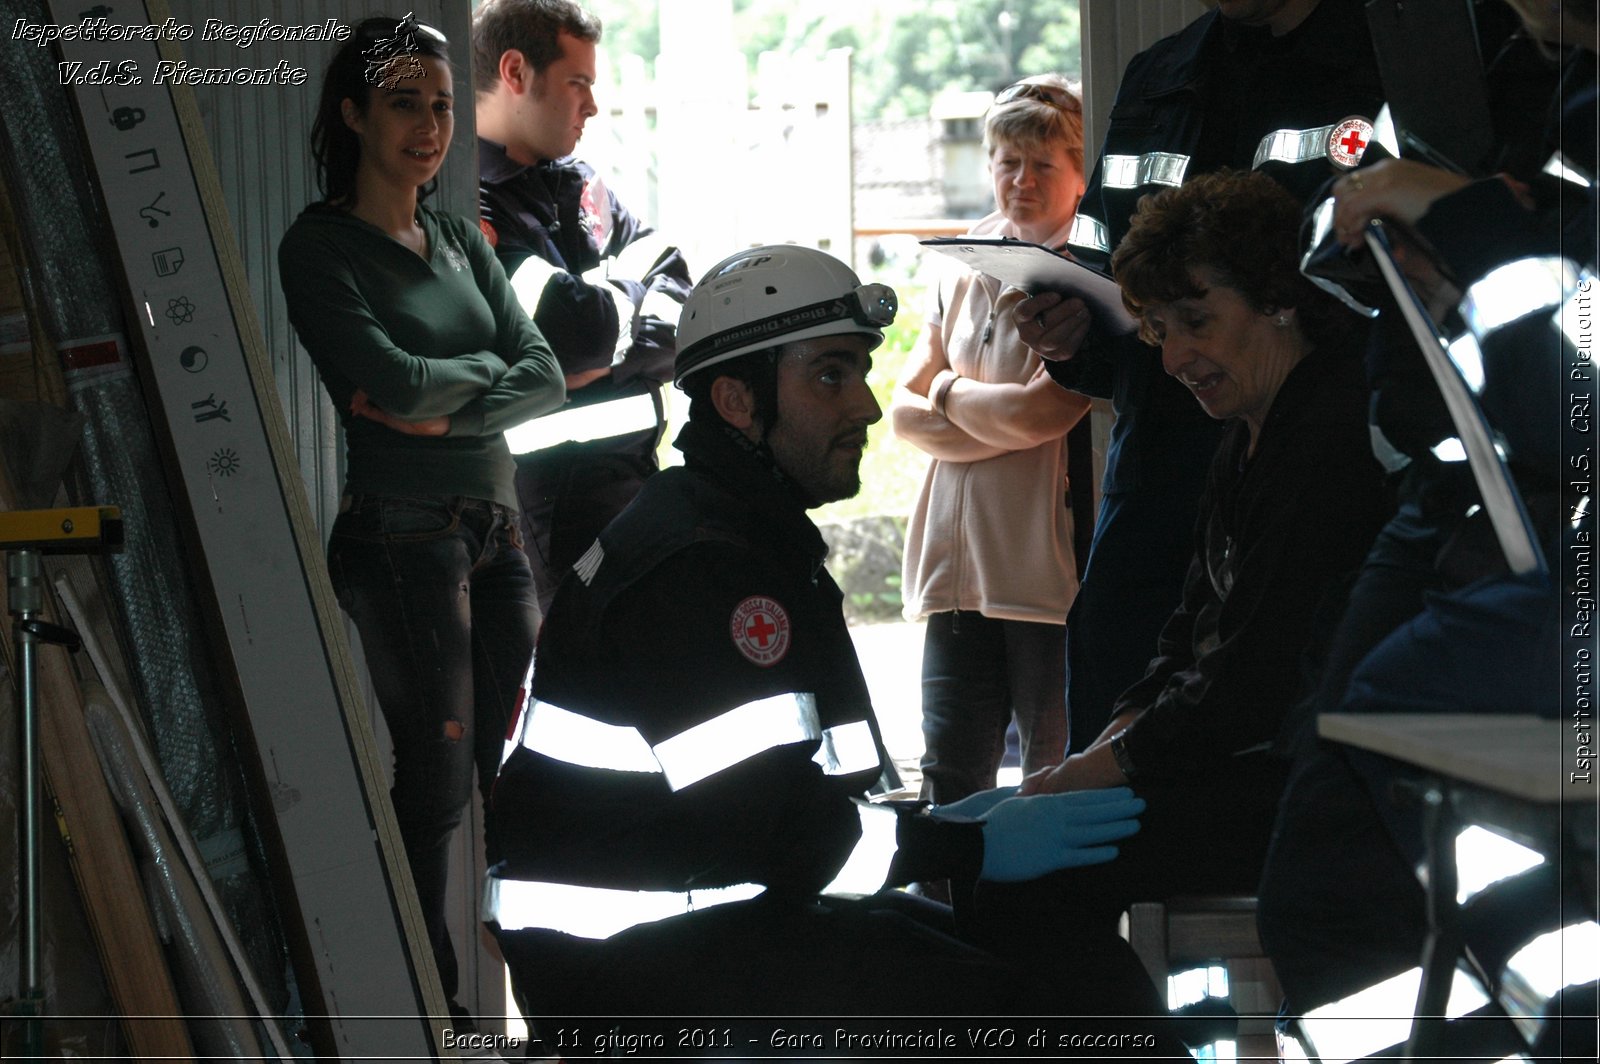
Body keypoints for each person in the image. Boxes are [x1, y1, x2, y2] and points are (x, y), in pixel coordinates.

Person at [484, 245, 1182, 1055]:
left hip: (716, 914)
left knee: (1082, 986)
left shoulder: (738, 533)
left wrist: (947, 822)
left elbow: (790, 814)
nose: (868, 407)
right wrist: (969, 843)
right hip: (633, 971)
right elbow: (776, 830)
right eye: (830, 376)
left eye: (859, 373)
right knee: (1029, 1020)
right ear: (737, 401)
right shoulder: (704, 567)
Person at [1256, 0, 1599, 1042]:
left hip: (1539, 544)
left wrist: (1461, 217)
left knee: (1394, 752)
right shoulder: (1538, 80)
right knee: (1333, 883)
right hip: (1478, 518)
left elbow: (1567, 392)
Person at [968, 171, 1391, 997]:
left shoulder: (1329, 438)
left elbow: (1255, 678)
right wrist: (1099, 752)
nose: (1174, 358)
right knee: (1015, 846)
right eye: (1159, 331)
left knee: (1024, 876)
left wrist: (1100, 767)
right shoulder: (1244, 438)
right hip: (1255, 762)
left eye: (1197, 322)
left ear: (1281, 299)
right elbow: (1187, 635)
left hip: (1322, 787)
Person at [277, 15, 564, 1025]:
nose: (429, 125)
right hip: (400, 533)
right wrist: (467, 381)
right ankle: (421, 1007)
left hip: (495, 528)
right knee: (438, 778)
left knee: (523, 772)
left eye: (442, 105)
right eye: (404, 102)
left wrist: (446, 399)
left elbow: (545, 373)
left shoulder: (455, 235)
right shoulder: (321, 247)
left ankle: (551, 1003)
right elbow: (385, 377)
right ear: (354, 113)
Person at [1014, 0, 1384, 752]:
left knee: (1274, 719)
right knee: (1119, 697)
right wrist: (1067, 329)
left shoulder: (1392, 58)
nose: (1178, 345)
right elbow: (1101, 262)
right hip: (1158, 471)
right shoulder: (1162, 76)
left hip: (1319, 461)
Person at [892, 75, 1091, 810]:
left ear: (1079, 172)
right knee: (949, 773)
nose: (1021, 179)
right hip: (953, 573)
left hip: (1043, 578)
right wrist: (978, 415)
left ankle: (1040, 925)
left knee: (1049, 777)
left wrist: (947, 396)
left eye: (1042, 164)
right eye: (1007, 160)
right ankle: (945, 918)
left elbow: (1043, 416)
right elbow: (901, 412)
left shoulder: (1089, 274)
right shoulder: (960, 258)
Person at [473, 0, 689, 614]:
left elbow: (683, 301)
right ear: (516, 73)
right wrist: (628, 308)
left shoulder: (579, 183)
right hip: (546, 511)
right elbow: (574, 336)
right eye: (578, 84)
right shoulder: (469, 206)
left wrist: (606, 333)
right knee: (590, 686)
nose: (591, 106)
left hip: (636, 486)